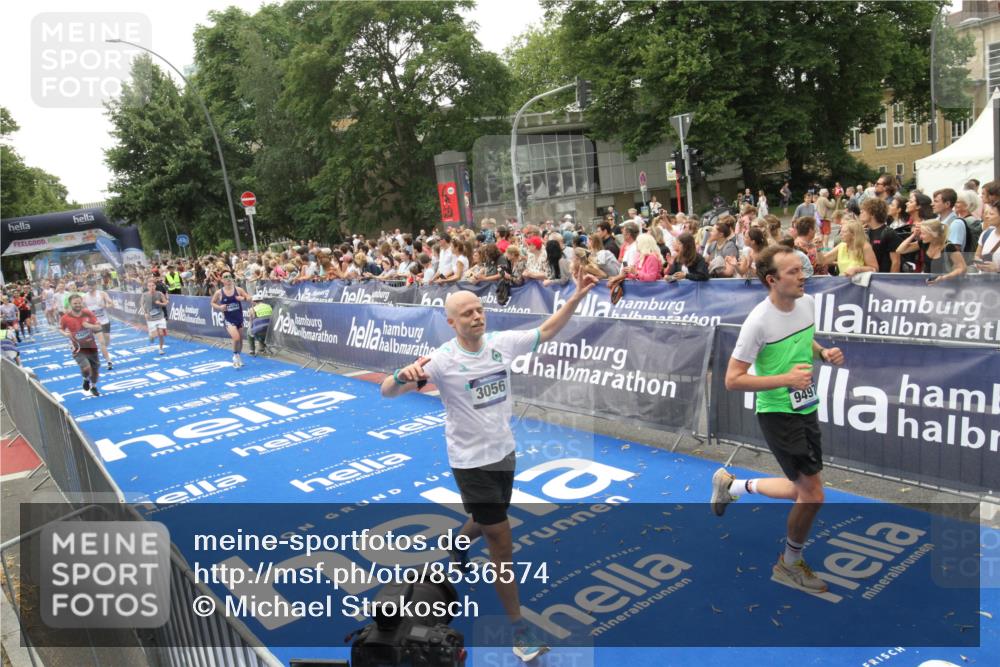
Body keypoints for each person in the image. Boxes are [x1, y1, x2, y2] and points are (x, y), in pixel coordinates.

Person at [381, 268, 599, 662]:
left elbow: (547, 330)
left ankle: (456, 542)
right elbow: (387, 390)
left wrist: (577, 295)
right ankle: (519, 629)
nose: (476, 316)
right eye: (466, 313)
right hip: (471, 463)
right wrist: (401, 374)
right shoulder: (442, 360)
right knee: (500, 538)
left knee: (487, 519)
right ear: (451, 322)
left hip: (504, 453)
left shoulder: (502, 344)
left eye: (479, 309)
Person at [713, 244, 845, 593]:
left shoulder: (808, 304)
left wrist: (823, 352)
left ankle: (732, 487)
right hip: (777, 411)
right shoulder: (757, 322)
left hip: (805, 405)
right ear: (772, 280)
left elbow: (805, 339)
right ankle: (789, 564)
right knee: (813, 495)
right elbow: (733, 380)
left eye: (802, 269)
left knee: (803, 491)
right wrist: (786, 379)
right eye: (793, 272)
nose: (803, 276)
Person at [60, 293, 104, 397]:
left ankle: (93, 386)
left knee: (95, 369)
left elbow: (98, 327)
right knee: (86, 368)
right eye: (75, 303)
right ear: (70, 304)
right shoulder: (66, 317)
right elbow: (60, 329)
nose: (78, 305)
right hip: (77, 347)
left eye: (79, 303)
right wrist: (65, 333)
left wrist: (89, 325)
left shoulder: (88, 313)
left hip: (91, 346)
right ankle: (85, 379)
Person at [896, 219, 967, 284]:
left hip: (946, 285)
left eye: (923, 233)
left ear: (934, 234)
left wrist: (944, 278)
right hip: (929, 284)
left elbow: (962, 267)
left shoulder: (948, 247)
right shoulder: (925, 243)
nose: (920, 236)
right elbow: (900, 250)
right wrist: (913, 235)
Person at [211, 272, 251, 368]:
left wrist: (243, 298)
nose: (228, 278)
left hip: (239, 318)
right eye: (225, 277)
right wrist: (220, 307)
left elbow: (249, 297)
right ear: (222, 280)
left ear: (232, 278)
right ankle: (234, 355)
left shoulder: (238, 289)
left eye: (229, 276)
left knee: (241, 341)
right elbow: (212, 303)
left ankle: (238, 356)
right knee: (236, 338)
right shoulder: (219, 292)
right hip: (228, 319)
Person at [860, 198, 901, 273]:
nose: (861, 212)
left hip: (883, 278)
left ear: (872, 214)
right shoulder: (866, 232)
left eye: (864, 210)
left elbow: (896, 262)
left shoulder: (889, 233)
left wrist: (892, 281)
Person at [83, 281, 115, 369]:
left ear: (95, 285)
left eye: (91, 285)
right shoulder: (84, 297)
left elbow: (111, 303)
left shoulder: (102, 294)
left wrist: (105, 305)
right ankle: (109, 361)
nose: (90, 287)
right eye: (88, 285)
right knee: (101, 342)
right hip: (94, 323)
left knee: (106, 340)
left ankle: (104, 350)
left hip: (105, 321)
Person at [142, 277, 170, 354]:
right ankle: (151, 335)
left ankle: (161, 349)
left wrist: (160, 303)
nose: (151, 287)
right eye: (150, 286)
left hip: (160, 316)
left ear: (155, 286)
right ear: (147, 287)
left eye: (153, 285)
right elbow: (142, 304)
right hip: (151, 318)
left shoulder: (160, 294)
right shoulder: (144, 295)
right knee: (154, 335)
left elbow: (166, 303)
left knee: (161, 334)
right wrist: (145, 313)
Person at [974, 201, 1000, 272]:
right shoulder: (986, 233)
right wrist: (978, 262)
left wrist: (997, 269)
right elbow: (977, 255)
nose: (987, 216)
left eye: (991, 214)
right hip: (984, 280)